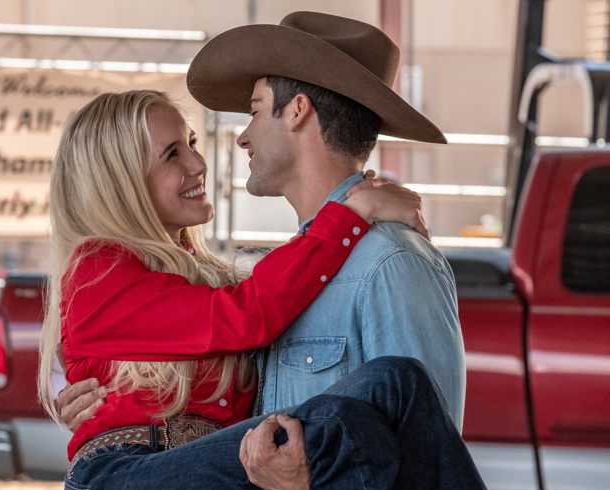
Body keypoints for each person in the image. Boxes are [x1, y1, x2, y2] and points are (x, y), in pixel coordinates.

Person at [39, 90, 489, 490]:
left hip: (214, 473)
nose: (198, 164)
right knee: (340, 423)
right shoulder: (95, 270)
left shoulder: (210, 279)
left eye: (191, 144)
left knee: (396, 381)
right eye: (172, 154)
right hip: (125, 479)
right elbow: (249, 314)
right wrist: (352, 212)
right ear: (119, 182)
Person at [61, 11, 465, 434]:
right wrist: (108, 398)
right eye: (173, 153)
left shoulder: (390, 260)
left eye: (254, 111)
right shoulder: (294, 265)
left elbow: (428, 448)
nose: (241, 137)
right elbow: (242, 319)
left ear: (297, 111)